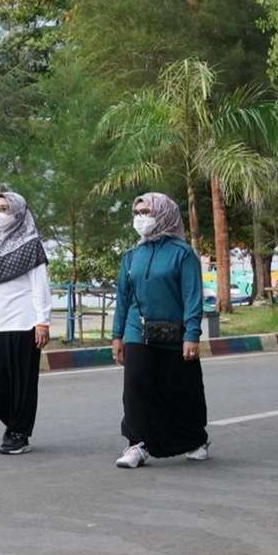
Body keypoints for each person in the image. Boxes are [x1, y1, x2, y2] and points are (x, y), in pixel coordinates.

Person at [111, 192, 210, 468]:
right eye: (138, 213)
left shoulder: (183, 253)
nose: (141, 218)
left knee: (180, 388)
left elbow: (192, 295)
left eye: (147, 213)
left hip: (173, 332)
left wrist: (192, 334)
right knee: (135, 385)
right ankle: (136, 444)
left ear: (164, 215)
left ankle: (194, 438)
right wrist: (117, 335)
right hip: (136, 330)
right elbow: (123, 298)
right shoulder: (131, 256)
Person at [0, 192, 51, 455]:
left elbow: (39, 286)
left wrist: (43, 322)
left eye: (5, 208)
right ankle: (14, 422)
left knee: (22, 383)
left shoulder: (31, 246)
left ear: (18, 212)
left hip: (23, 323)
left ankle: (19, 431)